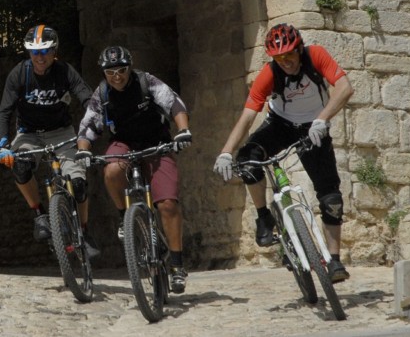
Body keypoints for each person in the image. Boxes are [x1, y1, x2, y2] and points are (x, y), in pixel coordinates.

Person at [213, 23, 354, 283]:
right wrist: (226, 152)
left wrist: (322, 120)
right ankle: (264, 217)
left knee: (331, 196)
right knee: (248, 159)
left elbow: (344, 87)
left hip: (313, 126)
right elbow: (247, 115)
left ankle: (334, 262)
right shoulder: (269, 74)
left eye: (289, 54)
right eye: (279, 58)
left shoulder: (316, 56)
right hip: (280, 125)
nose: (285, 61)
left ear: (299, 49)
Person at [77, 45, 193, 294]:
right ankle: (124, 216)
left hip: (157, 143)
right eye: (110, 72)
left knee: (168, 204)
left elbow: (173, 103)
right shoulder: (103, 93)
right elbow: (89, 124)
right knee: (111, 171)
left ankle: (177, 265)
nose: (116, 76)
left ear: (129, 68)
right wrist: (84, 149)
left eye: (121, 70)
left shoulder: (145, 81)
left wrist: (183, 131)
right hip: (124, 143)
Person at [0, 24, 98, 256]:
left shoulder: (64, 71)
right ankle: (40, 215)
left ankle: (83, 230)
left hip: (61, 132)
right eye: (34, 52)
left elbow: (86, 96)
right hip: (28, 133)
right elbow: (4, 111)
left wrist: (95, 118)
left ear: (54, 51)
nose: (39, 57)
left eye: (44, 52)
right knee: (20, 167)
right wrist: (1, 145)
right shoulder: (20, 74)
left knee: (79, 184)